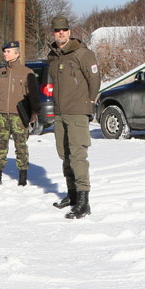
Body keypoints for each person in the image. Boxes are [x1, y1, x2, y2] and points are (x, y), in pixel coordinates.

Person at [47, 15, 100, 219]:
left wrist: (90, 102)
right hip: (60, 112)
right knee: (64, 154)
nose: (61, 33)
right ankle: (72, 195)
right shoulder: (53, 55)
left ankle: (84, 202)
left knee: (78, 156)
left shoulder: (83, 54)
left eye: (64, 30)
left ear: (70, 31)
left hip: (78, 112)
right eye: (57, 30)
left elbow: (95, 79)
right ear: (53, 32)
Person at [0, 41, 39, 188]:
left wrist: (34, 112)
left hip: (18, 116)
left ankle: (22, 175)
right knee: (0, 146)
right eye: (4, 51)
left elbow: (33, 95)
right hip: (1, 115)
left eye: (8, 51)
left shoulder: (27, 72)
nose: (5, 54)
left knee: (21, 146)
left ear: (17, 53)